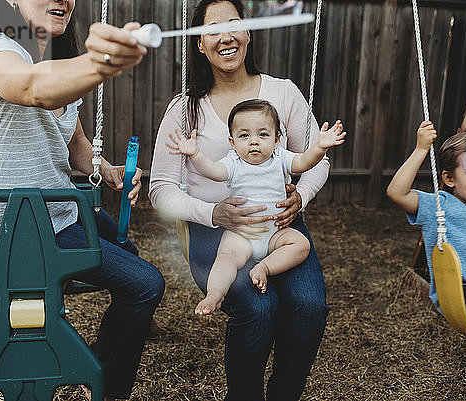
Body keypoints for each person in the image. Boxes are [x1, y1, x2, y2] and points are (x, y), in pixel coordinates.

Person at [0, 1, 165, 400]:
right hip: (20, 230)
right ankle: (101, 379)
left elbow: (75, 143)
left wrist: (107, 170)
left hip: (62, 211)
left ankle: (124, 326)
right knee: (146, 285)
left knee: (129, 250)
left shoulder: (58, 60)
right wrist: (99, 63)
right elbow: (32, 88)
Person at [149, 0, 335, 398]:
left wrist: (299, 196)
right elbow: (161, 189)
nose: (226, 36)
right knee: (258, 309)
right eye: (212, 29)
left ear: (248, 31)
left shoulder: (283, 94)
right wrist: (213, 213)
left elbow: (316, 162)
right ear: (199, 43)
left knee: (308, 308)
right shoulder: (185, 110)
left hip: (277, 224)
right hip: (213, 232)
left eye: (235, 24)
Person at [167, 99, 345, 315]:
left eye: (263, 135)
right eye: (244, 135)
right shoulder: (233, 162)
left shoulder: (280, 157)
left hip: (275, 234)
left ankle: (265, 267)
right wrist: (195, 154)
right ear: (232, 142)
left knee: (301, 244)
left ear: (277, 139)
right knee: (226, 258)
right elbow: (213, 171)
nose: (254, 142)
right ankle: (214, 294)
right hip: (242, 234)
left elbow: (303, 162)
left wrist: (319, 147)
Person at [387, 121, 466, 344]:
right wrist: (421, 149)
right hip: (464, 292)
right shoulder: (438, 207)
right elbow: (397, 193)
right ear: (449, 179)